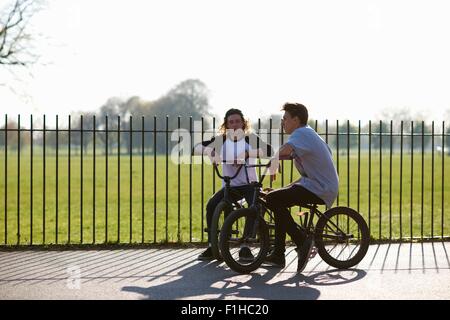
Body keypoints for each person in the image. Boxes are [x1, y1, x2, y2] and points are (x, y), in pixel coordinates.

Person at [264, 102, 339, 272]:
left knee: (274, 200)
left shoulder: (302, 133)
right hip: (316, 185)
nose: (283, 122)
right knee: (276, 199)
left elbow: (285, 150)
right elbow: (304, 177)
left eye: (285, 119)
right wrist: (281, 188)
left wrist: (275, 159)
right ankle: (277, 254)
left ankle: (300, 241)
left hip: (321, 188)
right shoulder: (306, 134)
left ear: (296, 120)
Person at [193, 108, 273, 261]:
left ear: (243, 123)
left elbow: (268, 150)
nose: (235, 124)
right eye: (231, 122)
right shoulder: (221, 140)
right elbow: (195, 148)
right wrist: (211, 153)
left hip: (250, 185)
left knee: (255, 207)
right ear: (226, 125)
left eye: (237, 121)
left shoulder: (250, 138)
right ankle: (213, 245)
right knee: (211, 205)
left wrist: (247, 154)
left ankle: (246, 246)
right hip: (230, 186)